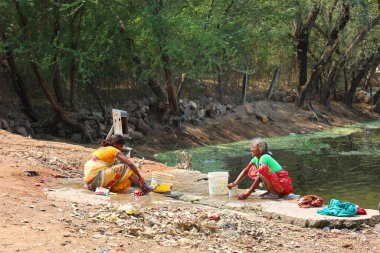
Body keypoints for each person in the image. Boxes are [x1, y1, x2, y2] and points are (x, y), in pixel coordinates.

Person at [83, 134, 154, 194]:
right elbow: (130, 164)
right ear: (116, 144)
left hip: (90, 181)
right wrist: (140, 178)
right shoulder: (114, 150)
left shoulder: (101, 149)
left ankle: (108, 188)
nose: (122, 148)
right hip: (97, 179)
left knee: (118, 166)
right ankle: (144, 188)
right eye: (121, 146)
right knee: (126, 167)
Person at [228, 138, 293, 200]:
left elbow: (260, 177)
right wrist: (234, 183)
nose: (251, 149)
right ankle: (272, 192)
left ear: (261, 149)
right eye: (251, 147)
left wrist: (247, 194)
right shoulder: (255, 159)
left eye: (253, 147)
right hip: (278, 187)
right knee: (255, 169)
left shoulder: (264, 157)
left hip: (283, 187)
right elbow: (245, 170)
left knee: (262, 168)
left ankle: (274, 193)